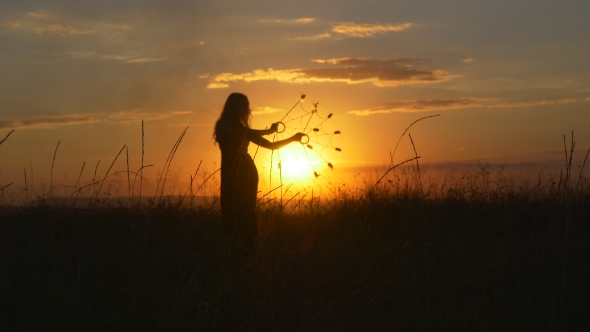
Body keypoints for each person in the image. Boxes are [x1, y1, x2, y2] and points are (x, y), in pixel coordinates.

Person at [213, 92, 304, 253]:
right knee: (231, 211)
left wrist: (291, 138)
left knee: (246, 212)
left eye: (246, 105)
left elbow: (270, 145)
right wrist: (267, 131)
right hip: (231, 173)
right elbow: (244, 133)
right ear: (233, 106)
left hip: (246, 173)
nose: (246, 109)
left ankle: (246, 249)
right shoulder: (223, 125)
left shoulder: (240, 128)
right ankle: (237, 250)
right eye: (243, 105)